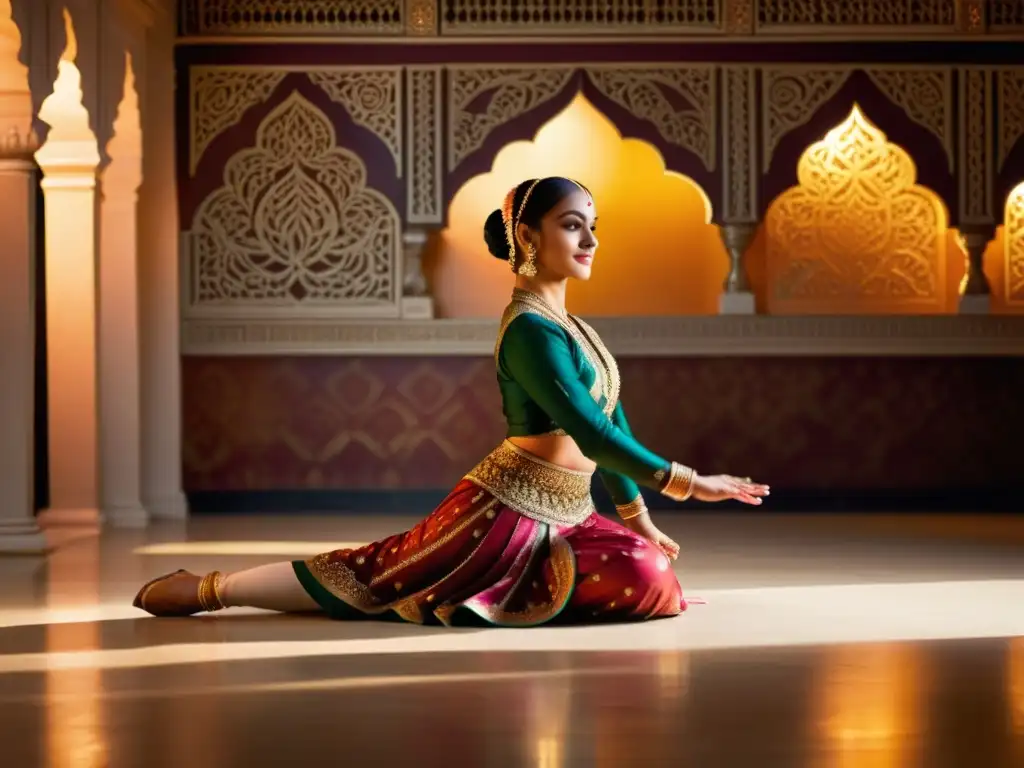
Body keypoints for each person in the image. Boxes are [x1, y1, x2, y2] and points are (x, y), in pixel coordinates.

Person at [133, 177, 769, 626]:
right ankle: (210, 590)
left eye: (592, 227)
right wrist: (690, 483)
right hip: (508, 508)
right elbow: (591, 434)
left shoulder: (576, 329)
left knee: (650, 571)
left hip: (569, 512)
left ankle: (567, 574)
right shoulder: (528, 330)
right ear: (527, 233)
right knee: (376, 575)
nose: (589, 240)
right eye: (572, 225)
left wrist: (644, 524)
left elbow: (612, 422)